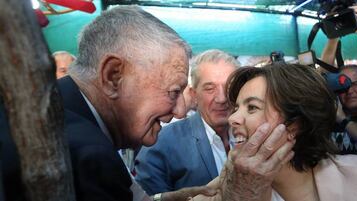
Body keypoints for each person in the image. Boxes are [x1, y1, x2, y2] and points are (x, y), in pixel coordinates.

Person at [0, 5, 297, 201]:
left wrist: (178, 195)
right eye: (172, 92)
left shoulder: (59, 111)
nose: (181, 110)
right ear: (113, 75)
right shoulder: (86, 155)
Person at [191, 63, 357, 201]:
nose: (232, 118)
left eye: (252, 107)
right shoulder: (222, 192)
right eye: (236, 107)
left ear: (295, 125)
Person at [136, 49, 240, 195]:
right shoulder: (162, 144)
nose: (221, 98)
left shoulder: (253, 136)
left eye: (229, 87)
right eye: (210, 88)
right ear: (194, 95)